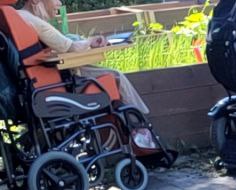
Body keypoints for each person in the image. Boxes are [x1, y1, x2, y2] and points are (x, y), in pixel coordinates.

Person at [13, 0, 159, 148]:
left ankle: (135, 131)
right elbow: (72, 48)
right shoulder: (35, 22)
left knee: (111, 75)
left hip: (39, 82)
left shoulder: (15, 18)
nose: (59, 3)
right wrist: (89, 41)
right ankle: (142, 131)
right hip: (59, 82)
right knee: (115, 76)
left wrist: (87, 43)